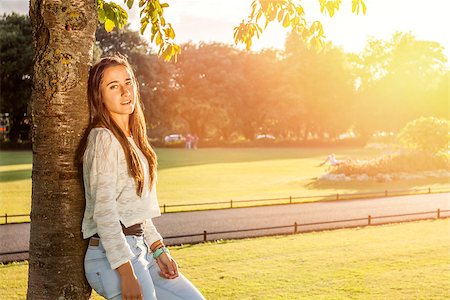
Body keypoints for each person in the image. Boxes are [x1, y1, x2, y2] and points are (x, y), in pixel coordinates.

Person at [78, 54, 205, 300]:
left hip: (141, 250)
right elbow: (104, 213)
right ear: (99, 96)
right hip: (111, 257)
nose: (125, 91)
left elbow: (135, 209)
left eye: (128, 83)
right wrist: (126, 273)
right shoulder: (103, 139)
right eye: (113, 86)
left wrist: (158, 249)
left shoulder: (133, 140)